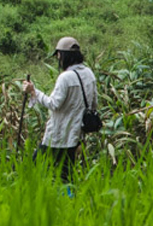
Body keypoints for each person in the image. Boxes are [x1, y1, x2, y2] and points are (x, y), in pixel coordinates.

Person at [23, 36, 97, 185]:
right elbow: (94, 103)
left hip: (57, 136)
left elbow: (54, 104)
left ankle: (36, 196)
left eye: (58, 55)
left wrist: (33, 91)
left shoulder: (66, 77)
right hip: (75, 135)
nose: (58, 59)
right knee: (65, 175)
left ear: (63, 56)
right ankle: (69, 201)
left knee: (33, 167)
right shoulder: (89, 73)